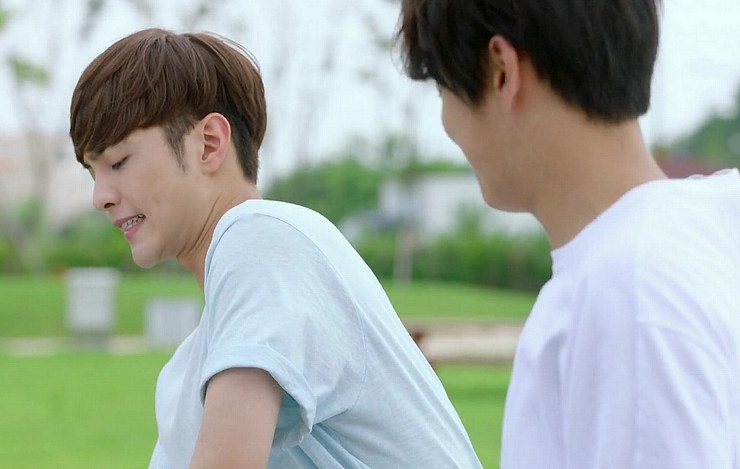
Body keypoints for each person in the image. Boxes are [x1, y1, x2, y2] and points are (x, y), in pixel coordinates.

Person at [69, 28, 482, 469]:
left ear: (209, 143)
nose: (100, 197)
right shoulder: (189, 367)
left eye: (118, 162)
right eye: (93, 172)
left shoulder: (261, 238)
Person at [396, 1, 740, 468]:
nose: (448, 124)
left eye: (442, 90)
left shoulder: (629, 288)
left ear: (502, 69)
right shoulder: (715, 235)